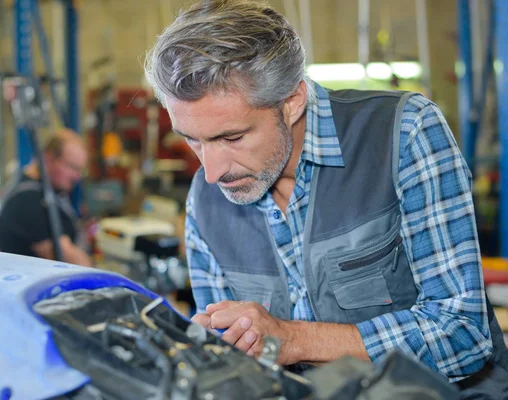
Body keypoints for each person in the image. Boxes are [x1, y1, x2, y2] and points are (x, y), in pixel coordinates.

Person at [144, 0, 508, 396]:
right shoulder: (206, 200)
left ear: (292, 101)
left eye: (231, 138)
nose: (212, 172)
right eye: (192, 140)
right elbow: (233, 368)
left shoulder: (403, 134)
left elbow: (463, 333)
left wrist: (294, 339)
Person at [0, 128, 92, 267]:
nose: (76, 177)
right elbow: (71, 259)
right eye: (72, 167)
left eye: (80, 170)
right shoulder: (28, 201)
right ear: (47, 158)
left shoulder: (48, 194)